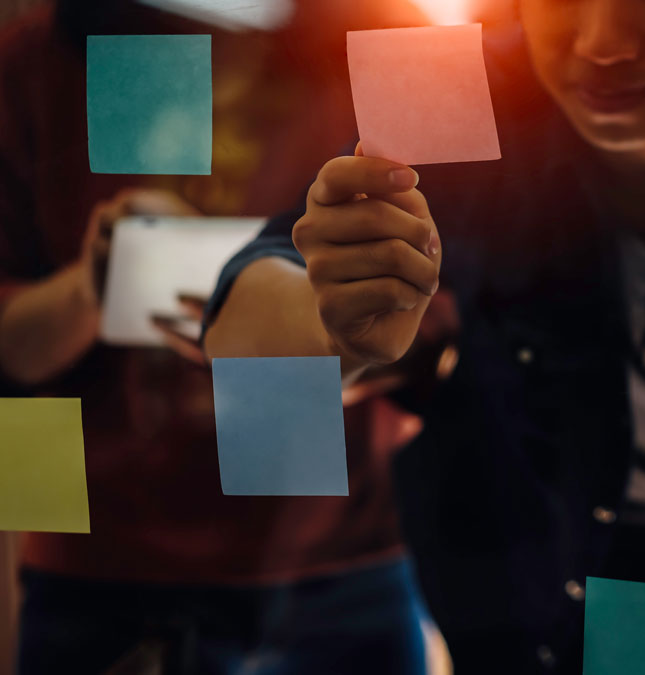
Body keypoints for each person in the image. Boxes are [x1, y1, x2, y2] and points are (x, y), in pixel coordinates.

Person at [204, 0, 645, 674]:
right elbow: (251, 304)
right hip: (507, 576)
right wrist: (336, 333)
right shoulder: (463, 78)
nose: (603, 43)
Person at [0, 1, 444, 673]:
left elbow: (468, 314)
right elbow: (9, 354)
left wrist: (334, 337)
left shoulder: (392, 38)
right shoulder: (40, 53)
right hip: (102, 567)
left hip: (348, 559)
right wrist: (94, 284)